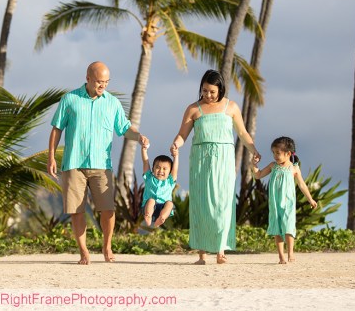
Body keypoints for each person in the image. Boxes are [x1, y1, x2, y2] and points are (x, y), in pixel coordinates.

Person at [47, 61, 149, 265]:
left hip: (101, 165)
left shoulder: (112, 103)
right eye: (98, 82)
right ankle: (84, 251)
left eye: (106, 82)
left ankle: (107, 245)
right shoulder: (70, 99)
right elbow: (57, 128)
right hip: (74, 163)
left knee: (108, 209)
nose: (102, 86)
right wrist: (51, 156)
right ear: (88, 78)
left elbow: (124, 128)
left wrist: (138, 137)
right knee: (76, 210)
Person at [170, 69, 261, 265]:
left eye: (212, 91)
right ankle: (202, 254)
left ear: (220, 89)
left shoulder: (231, 107)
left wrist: (253, 149)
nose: (208, 95)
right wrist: (176, 144)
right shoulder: (193, 109)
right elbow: (182, 134)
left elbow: (243, 133)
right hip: (201, 160)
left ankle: (221, 251)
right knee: (202, 204)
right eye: (204, 91)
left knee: (223, 203)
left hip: (224, 160)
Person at [253, 136, 318, 264]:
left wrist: (310, 199)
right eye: (273, 153)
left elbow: (302, 185)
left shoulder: (294, 168)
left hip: (288, 203)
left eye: (278, 153)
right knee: (277, 229)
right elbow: (258, 175)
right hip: (275, 203)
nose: (275, 156)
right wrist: (254, 164)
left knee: (288, 227)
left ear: (288, 153)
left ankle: (291, 253)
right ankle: (281, 256)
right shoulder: (273, 166)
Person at [140, 144, 179, 228]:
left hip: (163, 207)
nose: (161, 170)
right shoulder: (149, 178)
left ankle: (162, 218)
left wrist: (176, 156)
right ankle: (148, 215)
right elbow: (145, 162)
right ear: (153, 169)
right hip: (149, 207)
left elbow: (175, 169)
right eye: (157, 167)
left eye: (165, 169)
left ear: (169, 171)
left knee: (170, 204)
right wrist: (144, 150)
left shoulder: (170, 181)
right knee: (151, 200)